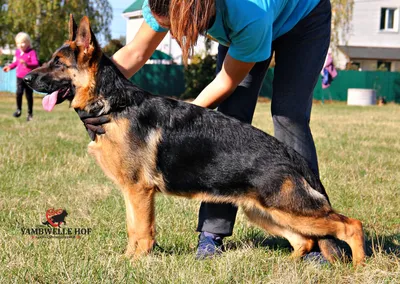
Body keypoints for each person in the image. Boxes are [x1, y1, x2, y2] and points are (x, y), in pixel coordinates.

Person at [106, 0, 332, 259]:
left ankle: (316, 235)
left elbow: (225, 82)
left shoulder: (247, 18)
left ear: (189, 15)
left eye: (171, 27)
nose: (169, 32)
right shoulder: (166, 3)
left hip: (303, 17)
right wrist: (92, 79)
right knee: (230, 115)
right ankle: (213, 232)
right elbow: (135, 53)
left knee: (289, 116)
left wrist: (176, 121)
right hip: (247, 22)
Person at [3, 32, 39, 121]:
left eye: (23, 42)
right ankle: (18, 110)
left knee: (28, 95)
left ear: (28, 42)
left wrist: (27, 64)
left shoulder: (31, 52)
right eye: (18, 43)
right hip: (19, 77)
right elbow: (16, 63)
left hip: (29, 78)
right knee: (19, 93)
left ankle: (30, 114)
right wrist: (9, 67)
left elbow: (36, 63)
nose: (21, 45)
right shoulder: (18, 52)